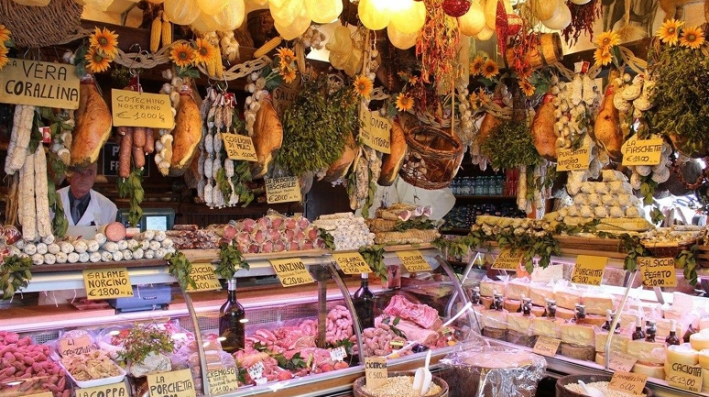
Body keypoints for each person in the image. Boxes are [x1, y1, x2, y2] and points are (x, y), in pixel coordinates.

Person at [57, 162, 117, 227]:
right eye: (79, 172)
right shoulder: (51, 201)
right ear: (69, 175)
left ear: (94, 176)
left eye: (90, 173)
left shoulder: (109, 208)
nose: (84, 177)